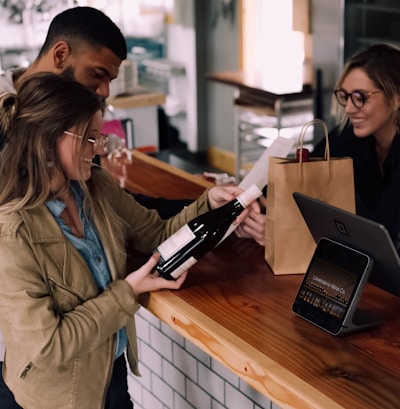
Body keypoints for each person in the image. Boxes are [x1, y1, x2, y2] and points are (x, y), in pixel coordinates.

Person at [0, 6, 266, 408]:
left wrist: (208, 204)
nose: (99, 148)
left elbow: (157, 232)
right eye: (91, 138)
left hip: (110, 371)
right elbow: (48, 345)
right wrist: (128, 293)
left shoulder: (95, 187)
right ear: (52, 137)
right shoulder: (14, 228)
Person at [312, 43, 400, 251]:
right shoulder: (351, 136)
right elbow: (303, 168)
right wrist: (256, 206)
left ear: (396, 98)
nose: (350, 109)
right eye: (345, 96)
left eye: (360, 98)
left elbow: (384, 229)